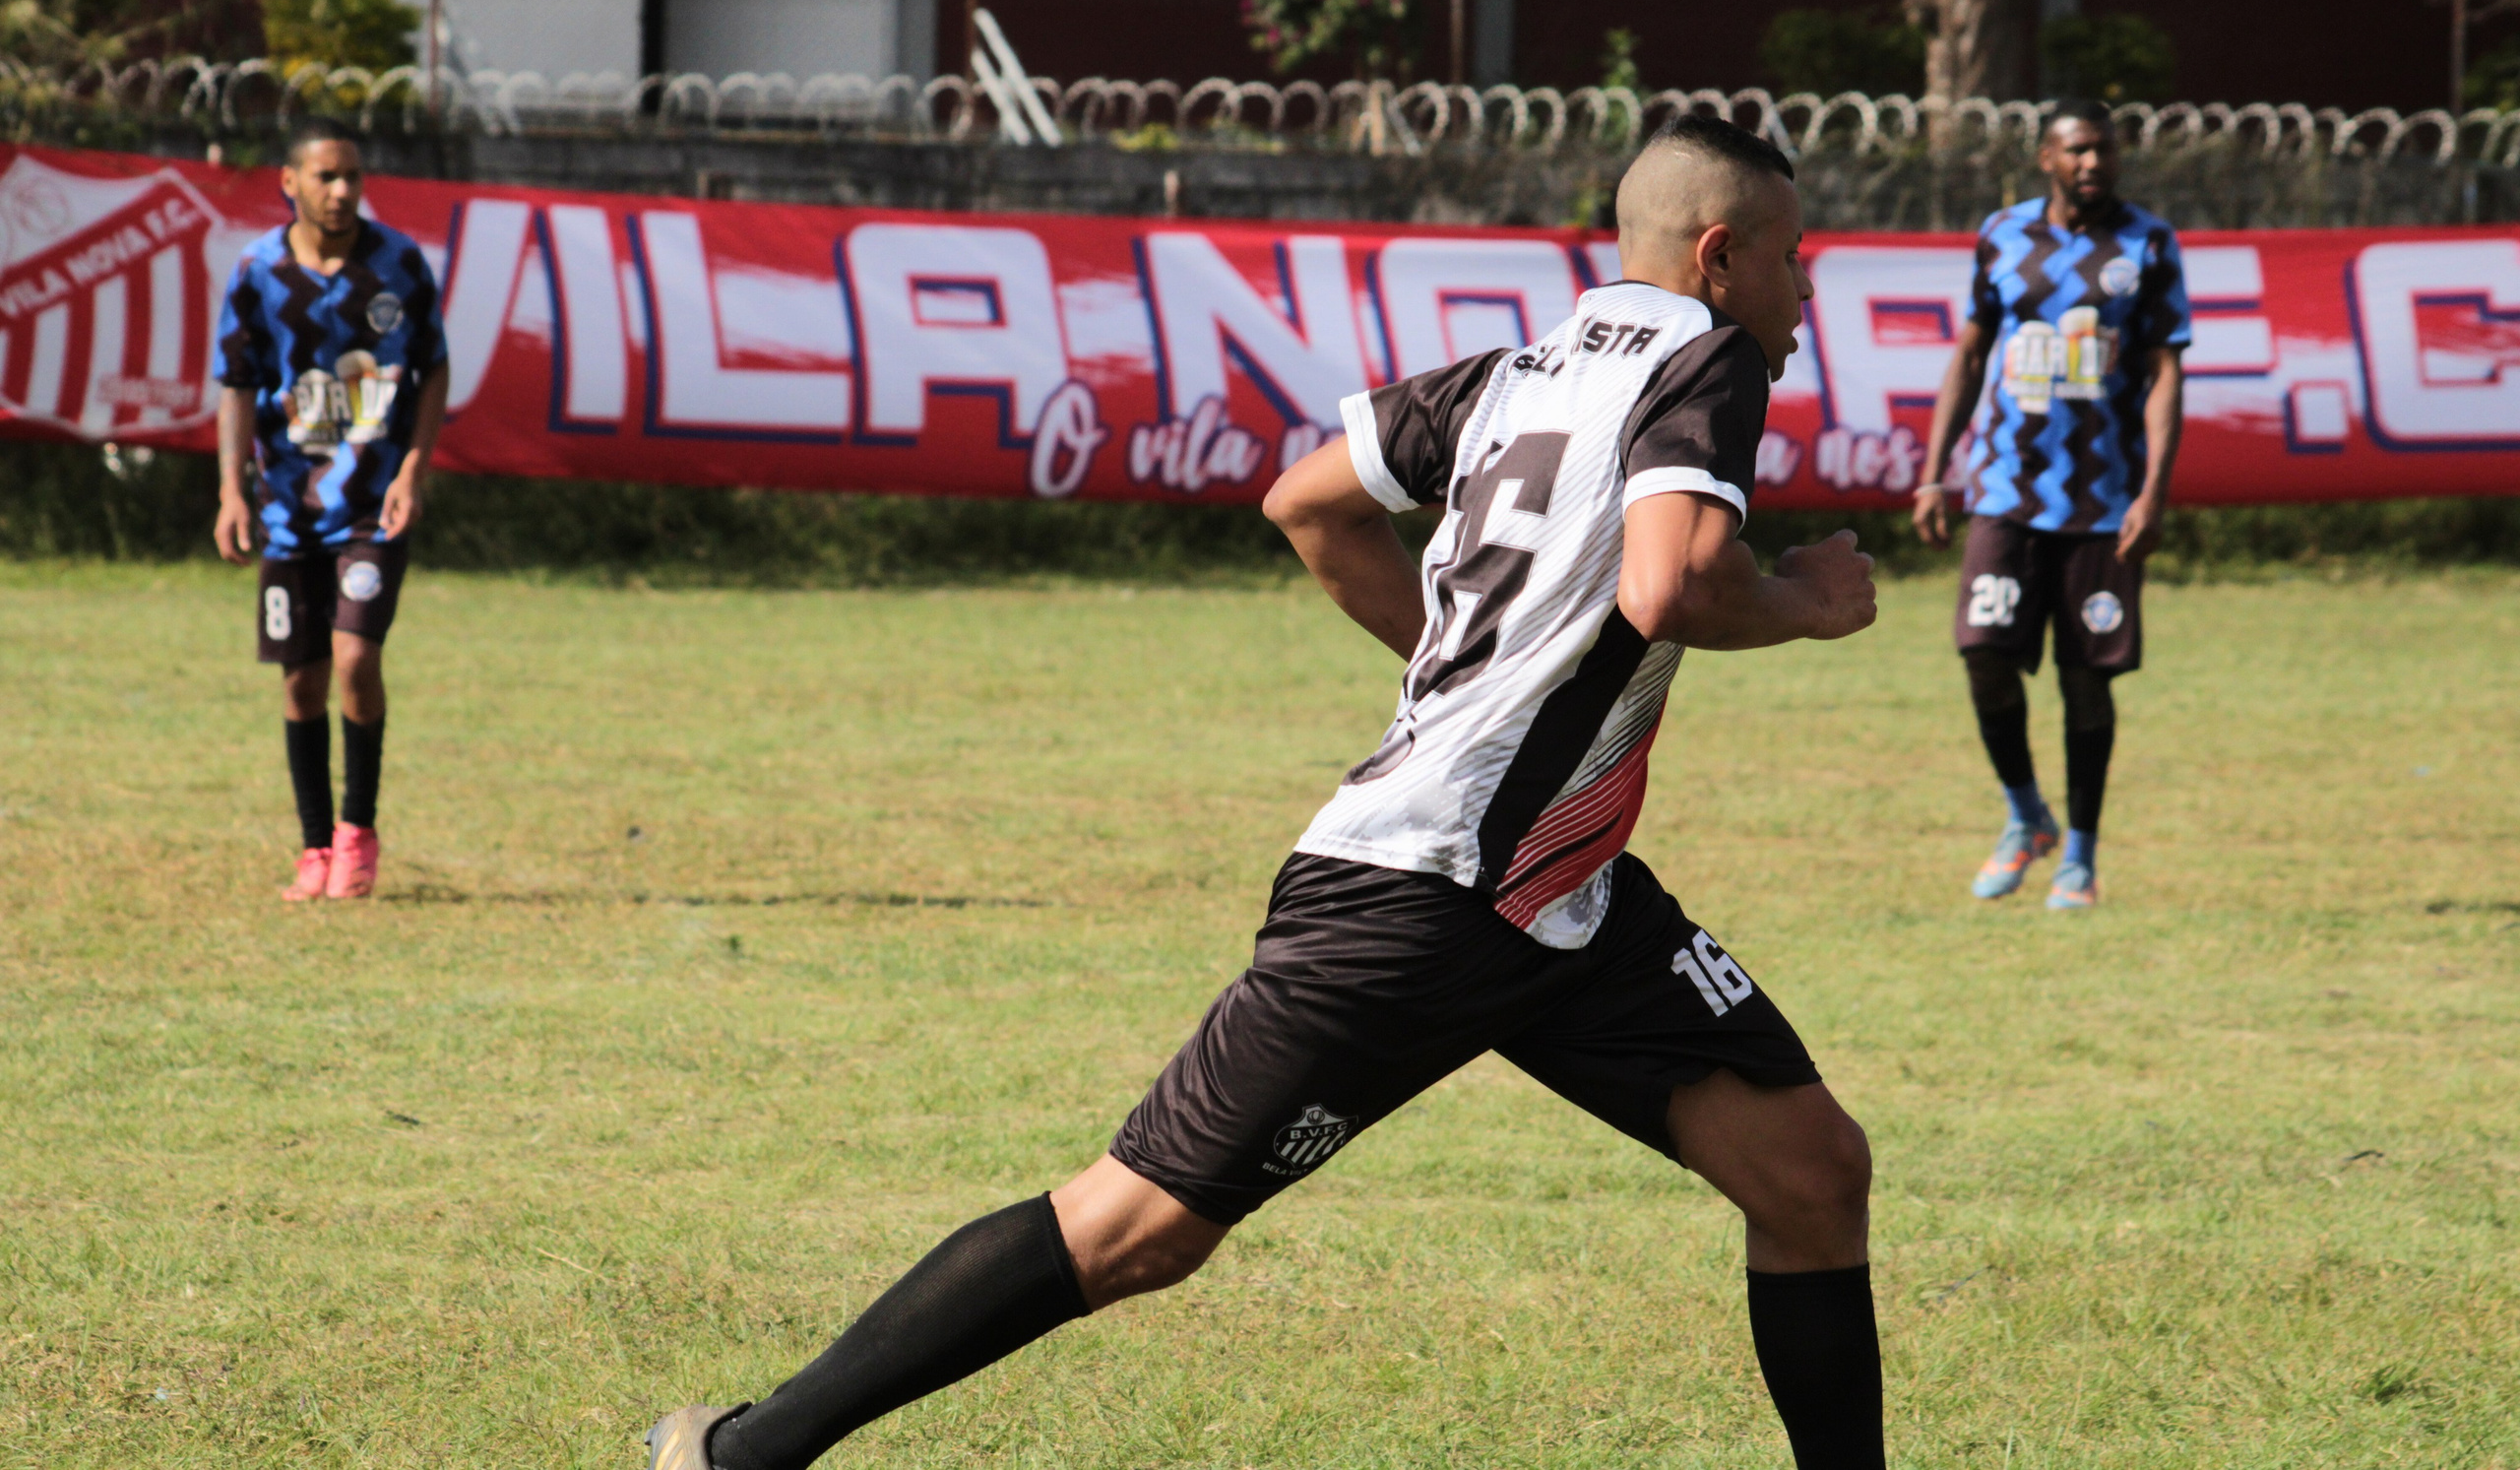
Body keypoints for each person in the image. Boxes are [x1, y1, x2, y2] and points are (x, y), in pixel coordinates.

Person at [647, 112, 1885, 1470]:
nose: (1805, 290)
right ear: (1718, 257)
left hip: (1559, 895)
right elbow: (1675, 582)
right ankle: (738, 1454)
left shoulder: (1515, 373)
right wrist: (1812, 602)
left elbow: (1308, 501)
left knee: (1810, 1171)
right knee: (1135, 1229)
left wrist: (1462, 674)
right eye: (1791, 257)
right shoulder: (1705, 354)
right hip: (1430, 891)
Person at [1912, 97, 2189, 912]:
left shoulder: (2147, 243)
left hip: (2103, 502)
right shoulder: (2004, 235)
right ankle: (2027, 814)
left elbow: (2165, 371)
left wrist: (2154, 490)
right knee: (1984, 653)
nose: (2093, 162)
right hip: (2006, 488)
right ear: (2047, 158)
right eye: (2077, 150)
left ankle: (2081, 856)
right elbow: (1971, 353)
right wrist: (1934, 472)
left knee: (2086, 680)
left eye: (2104, 149)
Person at [212, 116, 449, 901]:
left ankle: (358, 832)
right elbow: (237, 384)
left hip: (373, 504)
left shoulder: (398, 265)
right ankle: (314, 846)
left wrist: (412, 469)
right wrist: (232, 489)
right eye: (326, 176)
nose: (342, 191)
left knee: (355, 659)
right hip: (288, 507)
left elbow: (433, 368)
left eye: (352, 175)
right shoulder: (258, 272)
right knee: (300, 682)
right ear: (291, 182)